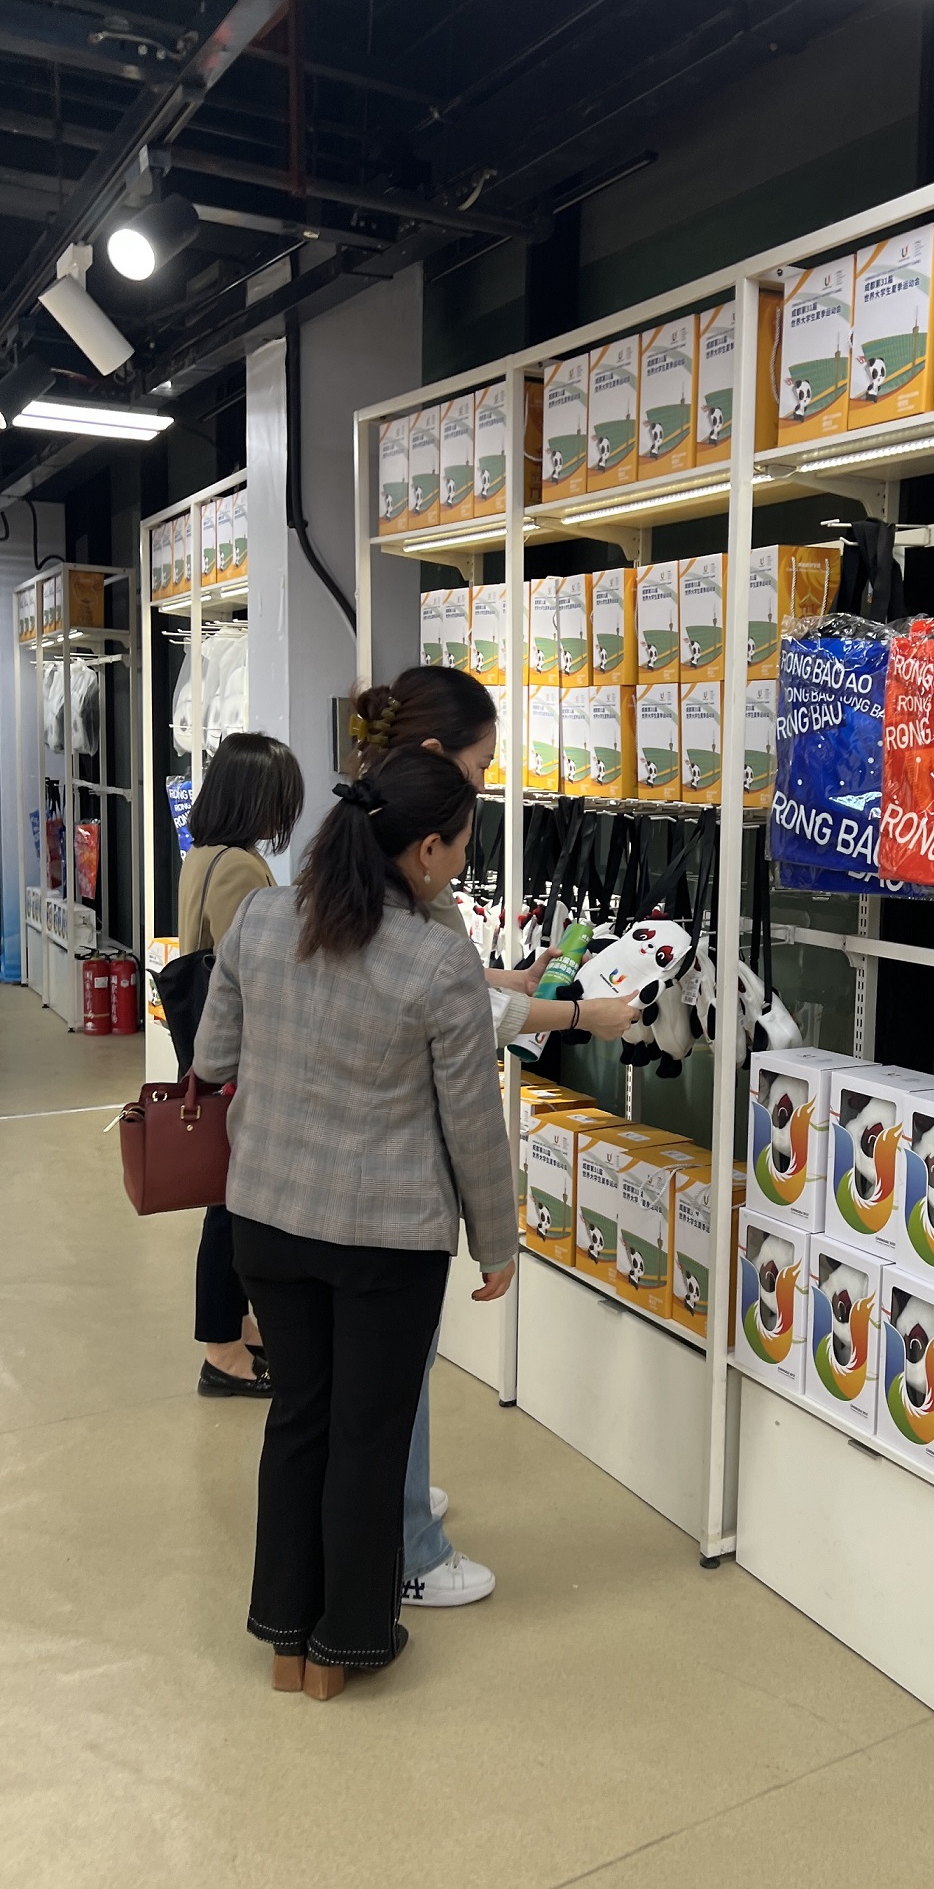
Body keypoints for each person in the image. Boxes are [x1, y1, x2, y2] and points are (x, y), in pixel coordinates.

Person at [194, 748, 516, 1699]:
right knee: (368, 1436)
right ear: (424, 851)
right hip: (386, 1237)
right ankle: (346, 1644)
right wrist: (495, 1245)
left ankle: (284, 1637)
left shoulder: (261, 918)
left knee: (299, 1417)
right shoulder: (438, 960)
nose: (461, 862)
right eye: (461, 845)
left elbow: (212, 1058)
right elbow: (471, 1121)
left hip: (267, 1218)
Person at [349, 667, 638, 1608]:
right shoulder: (405, 869)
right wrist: (577, 1014)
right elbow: (450, 1017)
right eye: (478, 767)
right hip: (394, 1179)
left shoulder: (359, 851)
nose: (482, 785)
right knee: (401, 1364)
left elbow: (438, 986)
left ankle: (392, 1511)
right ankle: (406, 1545)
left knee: (383, 1373)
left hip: (330, 1188)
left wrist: (503, 982)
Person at [179, 731, 304, 1399]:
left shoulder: (204, 854)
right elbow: (247, 972)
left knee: (227, 1197)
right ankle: (220, 1349)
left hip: (213, 1051)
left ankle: (233, 1324)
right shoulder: (239, 869)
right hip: (237, 1058)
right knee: (230, 1205)